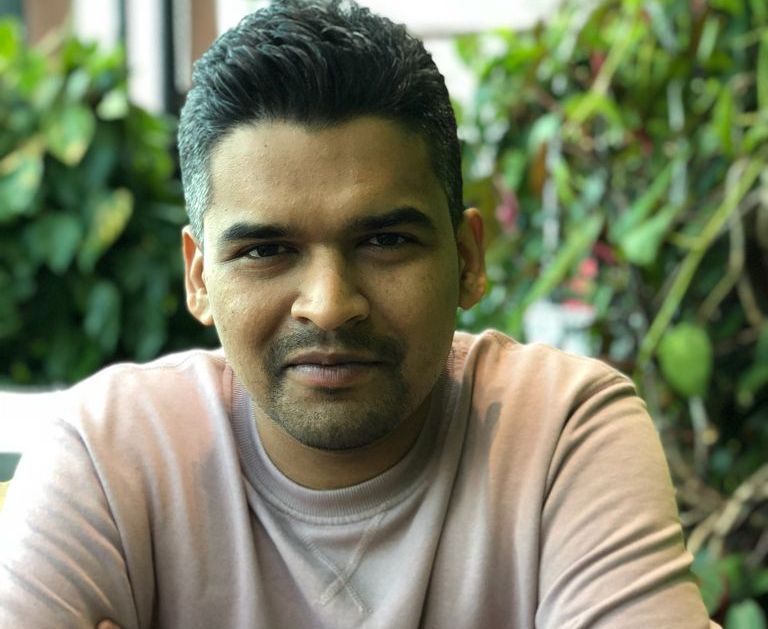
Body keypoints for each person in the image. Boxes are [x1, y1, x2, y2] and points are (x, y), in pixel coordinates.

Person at [0, 1, 718, 627]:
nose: (330, 305)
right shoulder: (110, 452)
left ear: (468, 257)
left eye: (385, 241)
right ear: (200, 278)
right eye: (266, 250)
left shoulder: (561, 432)